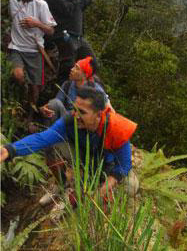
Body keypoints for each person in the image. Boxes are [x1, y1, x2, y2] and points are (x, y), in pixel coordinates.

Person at [1, 86, 138, 200]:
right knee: (52, 145)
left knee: (130, 187)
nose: (76, 115)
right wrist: (10, 150)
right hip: (86, 160)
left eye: (82, 112)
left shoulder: (115, 128)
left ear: (98, 114)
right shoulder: (69, 122)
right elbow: (41, 139)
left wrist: (103, 189)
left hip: (108, 165)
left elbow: (124, 165)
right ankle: (63, 183)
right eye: (75, 109)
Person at [8, 0, 57, 116]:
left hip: (35, 50)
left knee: (36, 86)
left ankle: (30, 110)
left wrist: (37, 23)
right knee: (18, 75)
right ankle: (19, 98)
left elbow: (51, 30)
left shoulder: (41, 5)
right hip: (17, 47)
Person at [45, 0, 98, 82]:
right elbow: (68, 9)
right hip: (66, 36)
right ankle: (62, 98)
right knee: (67, 71)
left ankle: (84, 96)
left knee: (92, 65)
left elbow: (77, 9)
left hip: (78, 37)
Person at [40, 56, 109, 125]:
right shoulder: (68, 84)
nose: (72, 69)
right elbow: (57, 102)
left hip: (83, 123)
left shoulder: (96, 91)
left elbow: (105, 113)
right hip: (68, 120)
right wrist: (46, 108)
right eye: (74, 66)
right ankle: (49, 132)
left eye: (77, 68)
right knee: (53, 104)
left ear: (85, 75)